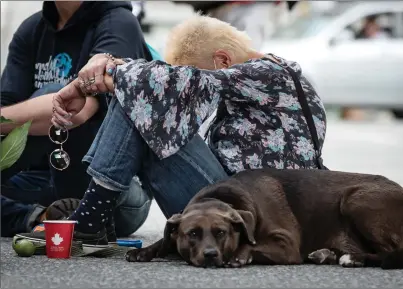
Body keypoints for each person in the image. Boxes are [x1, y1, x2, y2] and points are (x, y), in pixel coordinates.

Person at [17, 15, 326, 250]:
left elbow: (163, 83)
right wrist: (114, 69)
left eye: (195, 72)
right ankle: (93, 216)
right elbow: (163, 80)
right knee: (143, 96)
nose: (189, 88)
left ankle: (90, 218)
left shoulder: (267, 75)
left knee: (143, 99)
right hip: (243, 205)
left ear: (223, 60)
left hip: (250, 216)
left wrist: (98, 74)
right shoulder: (273, 75)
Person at [0, 1, 155, 238]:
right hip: (41, 181)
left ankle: (40, 218)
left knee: (56, 96)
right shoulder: (32, 29)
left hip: (110, 192)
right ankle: (37, 218)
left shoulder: (118, 24)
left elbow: (78, 110)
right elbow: (6, 106)